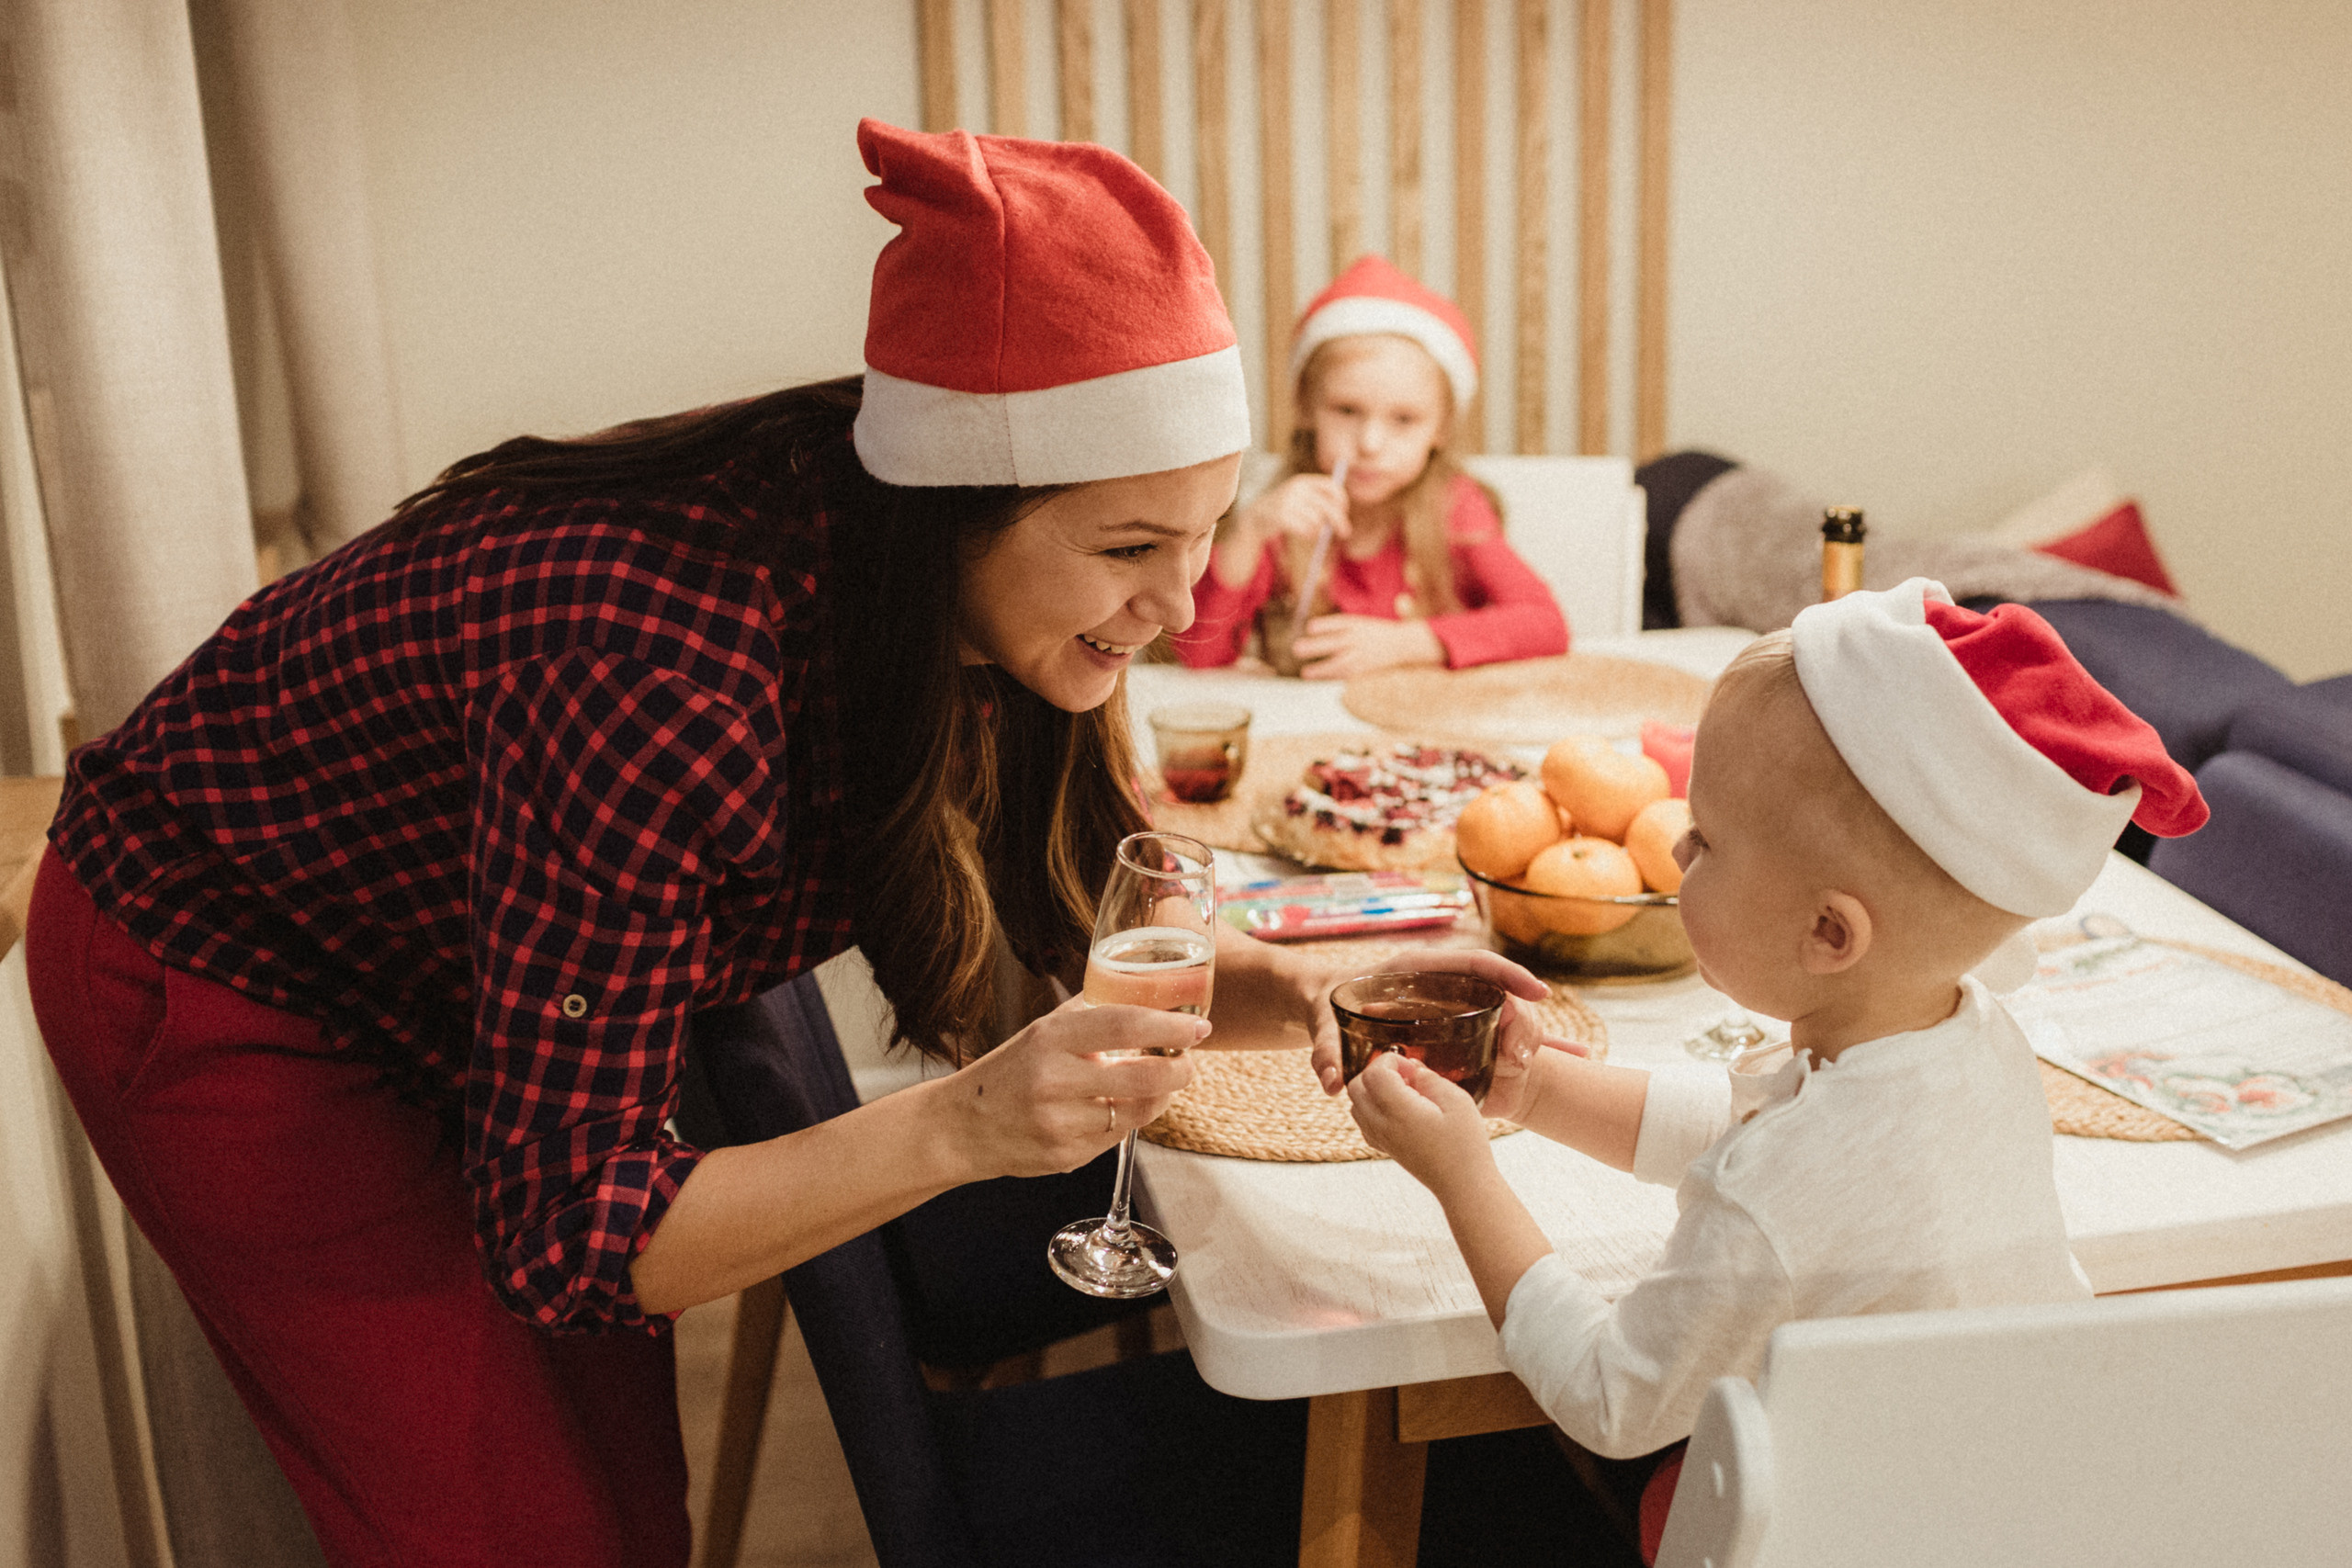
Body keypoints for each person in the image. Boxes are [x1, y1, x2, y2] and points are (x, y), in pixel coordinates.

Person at [27, 119, 1503, 1567]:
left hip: (475, 944)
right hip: (228, 966)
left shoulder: (945, 598)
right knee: (508, 1530)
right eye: (1128, 547)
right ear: (948, 516)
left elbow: (1080, 922)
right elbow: (576, 1232)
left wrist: (1317, 996)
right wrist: (963, 1121)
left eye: (1203, 533)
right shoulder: (651, 673)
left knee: (620, 1499)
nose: (1183, 605)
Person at [1333, 579, 2210, 1558]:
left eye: (1703, 840)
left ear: (1828, 933)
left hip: (1836, 1527)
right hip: (2002, 1498)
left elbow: (1609, 1397)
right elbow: (1759, 1140)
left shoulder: (1776, 1198)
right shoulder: (1968, 1038)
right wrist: (1533, 1089)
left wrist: (1462, 1175)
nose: (1668, 843)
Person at [1171, 254, 1567, 678]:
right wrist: (1250, 533)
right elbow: (1198, 656)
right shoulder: (1286, 517)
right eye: (1346, 410)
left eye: (1404, 420)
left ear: (1442, 428)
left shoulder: (1454, 506)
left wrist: (1406, 644)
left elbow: (1547, 625)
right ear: (1306, 407)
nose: (1370, 444)